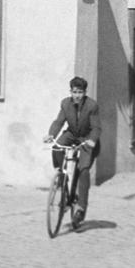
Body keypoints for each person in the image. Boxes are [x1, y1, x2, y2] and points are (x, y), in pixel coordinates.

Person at [43, 76, 100, 226]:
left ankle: (81, 207)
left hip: (87, 139)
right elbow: (59, 122)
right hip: (72, 135)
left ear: (84, 93)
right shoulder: (65, 104)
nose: (77, 95)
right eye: (74, 92)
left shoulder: (92, 106)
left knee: (84, 170)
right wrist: (51, 135)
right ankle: (62, 178)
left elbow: (96, 127)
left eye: (80, 92)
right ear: (71, 92)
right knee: (56, 147)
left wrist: (92, 140)